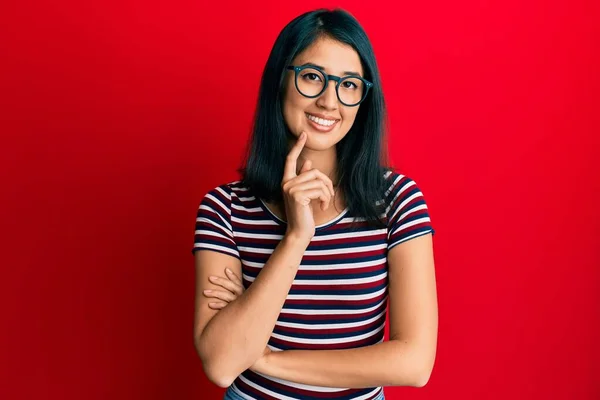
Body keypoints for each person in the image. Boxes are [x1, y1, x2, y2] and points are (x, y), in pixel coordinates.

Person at [192, 8, 438, 400]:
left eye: (349, 85)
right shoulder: (224, 209)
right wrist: (296, 237)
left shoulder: (397, 201)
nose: (328, 101)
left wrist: (265, 359)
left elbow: (414, 363)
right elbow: (222, 366)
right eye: (312, 77)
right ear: (280, 80)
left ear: (363, 98)